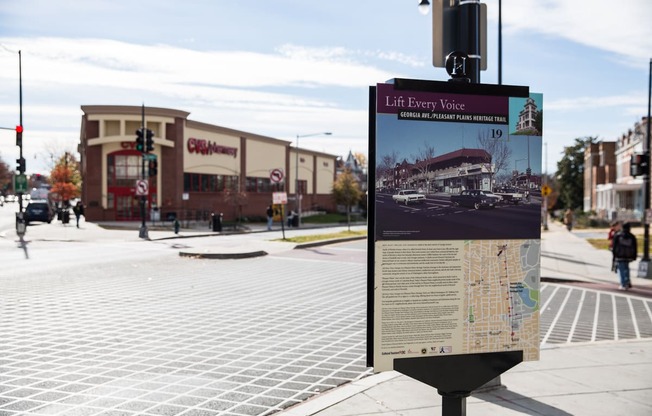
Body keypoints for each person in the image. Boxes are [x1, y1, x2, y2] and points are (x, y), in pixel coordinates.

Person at [612, 222, 637, 290]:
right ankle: (627, 282)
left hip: (619, 255)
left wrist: (614, 256)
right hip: (628, 256)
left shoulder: (618, 235)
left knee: (621, 269)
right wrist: (634, 256)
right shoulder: (632, 236)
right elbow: (635, 247)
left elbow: (614, 246)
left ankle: (623, 283)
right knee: (626, 269)